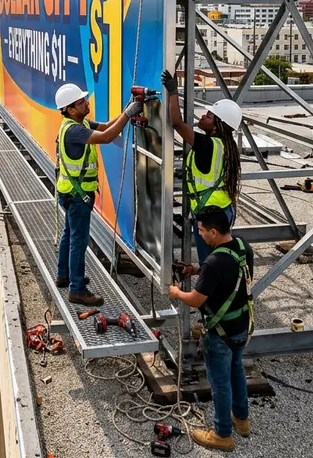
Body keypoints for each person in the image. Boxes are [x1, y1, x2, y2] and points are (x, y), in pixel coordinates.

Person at [169, 207, 253, 452]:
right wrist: (197, 270)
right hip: (240, 326)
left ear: (214, 232)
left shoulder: (215, 262)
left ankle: (221, 434)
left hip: (219, 332)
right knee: (236, 370)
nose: (201, 235)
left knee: (220, 383)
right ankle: (242, 419)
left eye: (203, 231)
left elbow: (196, 299)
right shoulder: (241, 246)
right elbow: (227, 276)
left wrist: (176, 292)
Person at [54, 83, 144, 306]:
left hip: (70, 192)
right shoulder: (74, 130)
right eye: (82, 102)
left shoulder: (77, 123)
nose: (87, 103)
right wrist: (129, 113)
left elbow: (105, 128)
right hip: (78, 195)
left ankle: (64, 275)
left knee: (69, 234)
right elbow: (106, 138)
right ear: (70, 109)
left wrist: (126, 110)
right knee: (79, 240)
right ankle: (77, 289)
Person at [161, 71, 242, 265]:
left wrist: (173, 91)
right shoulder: (226, 145)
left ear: (217, 126)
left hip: (211, 214)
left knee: (212, 262)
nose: (203, 116)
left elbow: (176, 123)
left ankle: (214, 294)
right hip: (221, 209)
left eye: (208, 116)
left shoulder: (208, 144)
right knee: (219, 259)